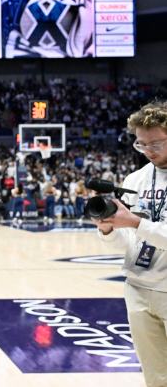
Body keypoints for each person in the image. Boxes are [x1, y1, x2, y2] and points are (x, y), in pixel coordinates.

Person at [92, 101, 167, 387]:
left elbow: (143, 228)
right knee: (155, 376)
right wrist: (109, 229)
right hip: (138, 288)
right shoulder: (135, 179)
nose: (148, 151)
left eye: (156, 143)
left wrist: (135, 222)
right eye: (141, 144)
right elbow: (128, 245)